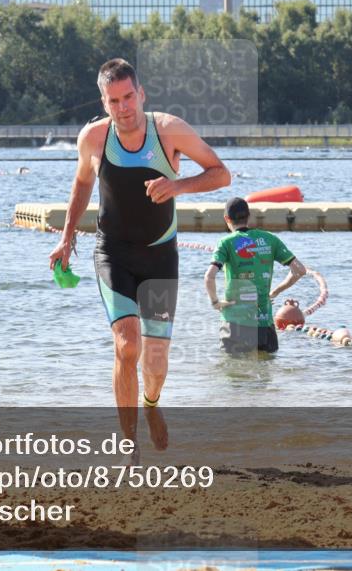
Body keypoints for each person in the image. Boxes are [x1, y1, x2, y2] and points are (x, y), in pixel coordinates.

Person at [48, 58, 230, 443]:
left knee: (156, 359)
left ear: (141, 94)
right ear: (103, 103)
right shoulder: (93, 139)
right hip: (113, 253)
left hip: (160, 257)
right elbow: (82, 185)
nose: (123, 107)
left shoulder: (168, 131)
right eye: (113, 101)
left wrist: (177, 186)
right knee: (127, 345)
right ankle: (128, 442)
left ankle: (151, 403)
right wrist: (66, 237)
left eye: (129, 97)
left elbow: (221, 173)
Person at [204, 198, 307, 355]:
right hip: (264, 323)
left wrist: (215, 302)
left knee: (234, 373)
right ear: (249, 216)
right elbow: (300, 270)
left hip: (235, 323)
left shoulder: (226, 243)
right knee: (265, 372)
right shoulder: (270, 239)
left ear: (226, 219)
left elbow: (209, 276)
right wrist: (276, 291)